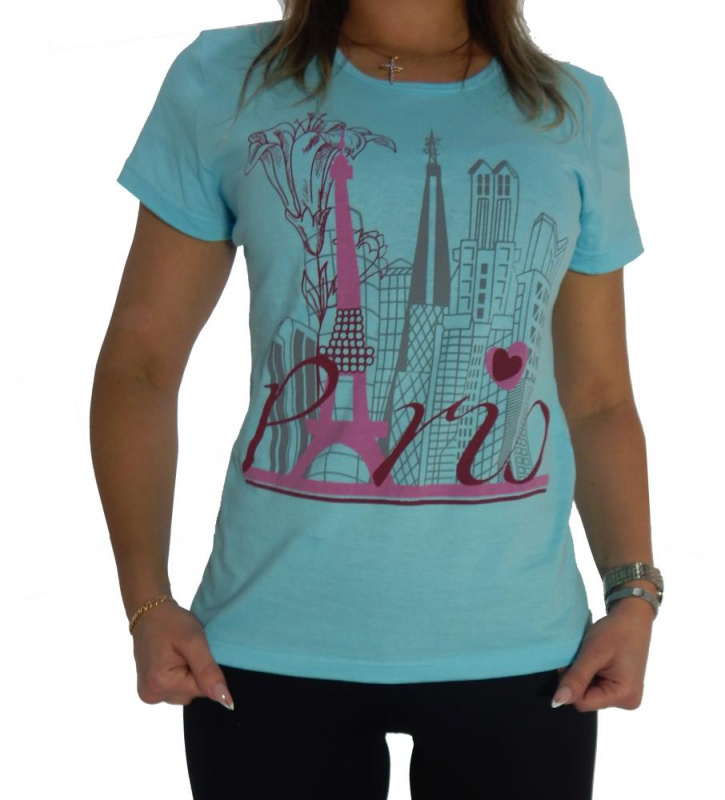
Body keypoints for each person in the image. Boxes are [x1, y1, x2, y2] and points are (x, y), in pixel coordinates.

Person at [90, 1, 664, 798]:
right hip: (265, 644)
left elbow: (597, 396)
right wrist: (145, 601)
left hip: (525, 653)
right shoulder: (227, 81)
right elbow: (141, 366)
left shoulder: (572, 110)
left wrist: (633, 596)